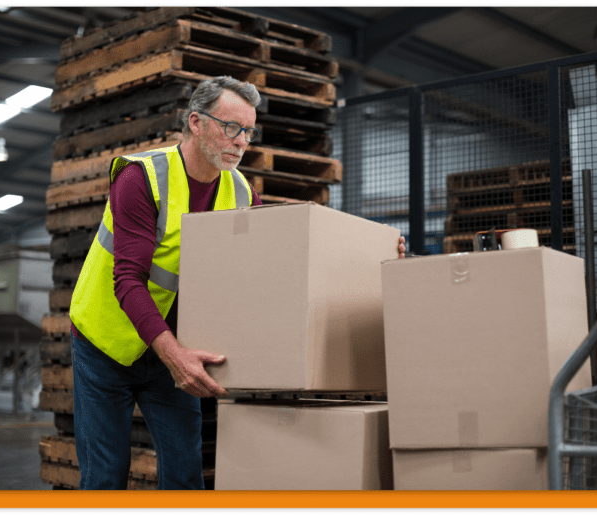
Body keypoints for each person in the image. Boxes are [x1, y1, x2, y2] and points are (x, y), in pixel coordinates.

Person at [69, 76, 407, 490]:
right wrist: (174, 354)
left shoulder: (242, 192)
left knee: (184, 471)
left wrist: (372, 257)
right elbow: (127, 279)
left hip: (173, 346)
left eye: (248, 131)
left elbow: (279, 266)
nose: (242, 141)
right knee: (105, 475)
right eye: (231, 127)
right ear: (196, 122)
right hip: (105, 340)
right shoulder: (142, 178)